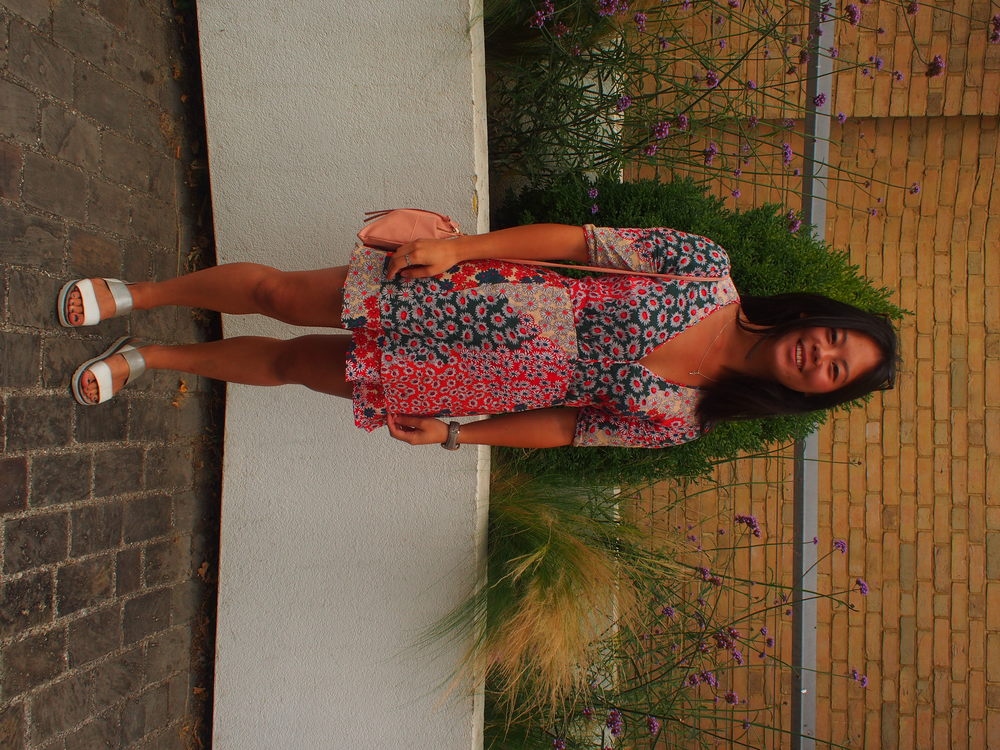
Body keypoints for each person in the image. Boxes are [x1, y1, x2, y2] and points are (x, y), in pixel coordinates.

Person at [58, 223, 897, 449]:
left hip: (469, 383)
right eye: (834, 341)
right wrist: (461, 247)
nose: (821, 356)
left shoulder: (686, 417)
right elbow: (576, 244)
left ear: (810, 393)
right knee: (281, 293)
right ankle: (139, 295)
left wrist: (461, 433)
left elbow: (568, 427)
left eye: (833, 373)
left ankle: (151, 358)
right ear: (815, 320)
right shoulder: (703, 271)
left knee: (293, 363)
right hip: (466, 295)